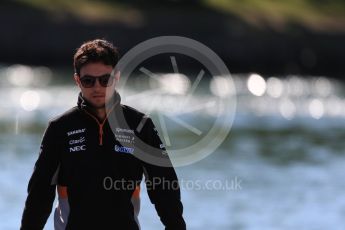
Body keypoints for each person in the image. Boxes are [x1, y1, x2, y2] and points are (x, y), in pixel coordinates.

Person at [20, 39, 186, 230]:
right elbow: (39, 196)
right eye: (88, 81)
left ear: (116, 78)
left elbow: (164, 186)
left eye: (105, 80)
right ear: (77, 81)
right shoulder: (60, 128)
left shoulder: (140, 126)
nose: (97, 87)